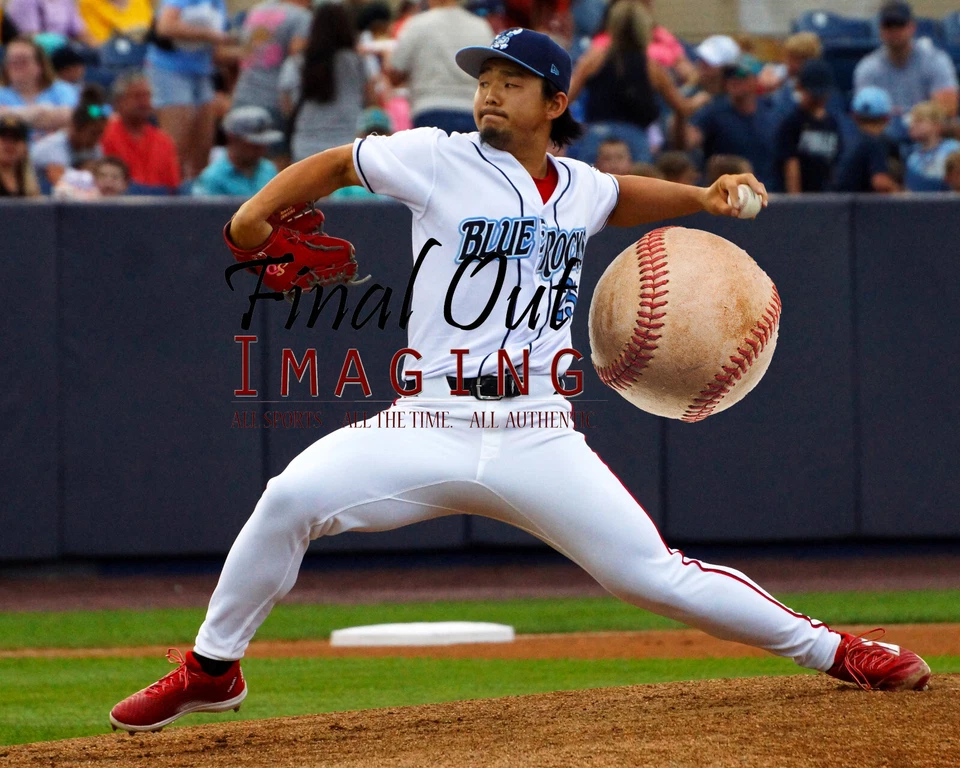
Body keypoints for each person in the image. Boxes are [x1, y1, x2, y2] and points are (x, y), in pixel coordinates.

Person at [108, 27, 931, 735]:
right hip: (426, 423)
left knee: (650, 575)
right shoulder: (437, 157)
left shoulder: (577, 185)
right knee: (289, 496)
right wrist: (256, 215)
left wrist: (699, 197)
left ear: (557, 102)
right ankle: (215, 669)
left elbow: (617, 195)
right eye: (486, 81)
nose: (491, 95)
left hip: (538, 432)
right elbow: (334, 163)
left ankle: (839, 651)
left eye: (513, 84)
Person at [568, 0, 707, 156]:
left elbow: (566, 98)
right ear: (644, 28)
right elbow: (681, 107)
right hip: (635, 140)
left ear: (612, 25)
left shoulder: (594, 59)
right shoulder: (651, 66)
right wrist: (702, 98)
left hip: (598, 137)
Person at [146, 0, 230, 179]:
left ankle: (196, 193)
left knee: (203, 144)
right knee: (175, 144)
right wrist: (208, 35)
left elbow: (218, 51)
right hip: (170, 70)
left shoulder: (219, 4)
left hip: (202, 71)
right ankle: (169, 190)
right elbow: (165, 27)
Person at [279, 3, 370, 164]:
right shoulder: (357, 61)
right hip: (347, 144)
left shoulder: (296, 62)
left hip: (305, 145)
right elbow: (370, 99)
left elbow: (286, 107)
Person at [387, 0, 493, 134]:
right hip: (471, 110)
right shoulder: (481, 27)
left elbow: (395, 73)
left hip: (428, 109)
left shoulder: (417, 25)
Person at [853, 1, 958, 121]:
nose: (894, 31)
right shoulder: (868, 67)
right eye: (888, 26)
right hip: (884, 133)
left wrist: (913, 117)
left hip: (927, 131)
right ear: (880, 30)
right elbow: (864, 113)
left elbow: (948, 108)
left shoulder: (935, 60)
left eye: (900, 25)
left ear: (912, 27)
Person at [688, 55, 780, 189]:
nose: (734, 80)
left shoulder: (771, 111)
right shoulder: (714, 112)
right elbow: (688, 142)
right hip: (728, 194)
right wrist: (682, 112)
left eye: (741, 75)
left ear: (755, 80)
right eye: (729, 76)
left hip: (769, 193)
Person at [100, 72, 181, 194]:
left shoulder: (164, 141)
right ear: (119, 102)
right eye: (137, 97)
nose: (144, 102)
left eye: (147, 96)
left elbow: (172, 188)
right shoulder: (105, 135)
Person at [230, 0, 311, 122]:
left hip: (243, 95)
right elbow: (297, 56)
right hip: (275, 101)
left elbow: (244, 51)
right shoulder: (302, 16)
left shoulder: (257, 10)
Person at [775, 60, 843, 194]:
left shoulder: (831, 123)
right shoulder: (792, 122)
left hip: (825, 196)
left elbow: (834, 165)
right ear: (800, 88)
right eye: (814, 94)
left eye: (822, 94)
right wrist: (796, 201)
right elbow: (791, 165)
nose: (818, 99)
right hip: (800, 198)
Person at [30, 83, 108, 188]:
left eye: (100, 133)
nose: (97, 138)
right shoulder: (52, 147)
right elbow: (62, 185)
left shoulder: (95, 147)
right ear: (75, 128)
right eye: (93, 133)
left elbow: (99, 181)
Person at [191, 105, 279, 196]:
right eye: (253, 144)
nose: (260, 149)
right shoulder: (213, 177)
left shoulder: (269, 169)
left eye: (264, 144)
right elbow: (205, 209)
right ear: (232, 138)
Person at [0, 36, 79, 135]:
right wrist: (42, 111)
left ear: (40, 65)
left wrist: (8, 114)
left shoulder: (61, 89)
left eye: (23, 61)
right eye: (12, 61)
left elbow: (70, 117)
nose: (17, 66)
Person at [832, 87, 900, 194]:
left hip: (831, 202)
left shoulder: (844, 139)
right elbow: (880, 182)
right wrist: (903, 196)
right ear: (887, 118)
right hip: (855, 207)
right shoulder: (874, 142)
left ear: (854, 116)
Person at [903, 101, 960, 192]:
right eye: (912, 121)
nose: (912, 125)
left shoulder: (953, 149)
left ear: (937, 126)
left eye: (919, 121)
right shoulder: (913, 158)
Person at [5, 0, 95, 45]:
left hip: (65, 49)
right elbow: (30, 37)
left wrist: (96, 47)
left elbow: (81, 32)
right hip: (39, 53)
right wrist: (63, 43)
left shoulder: (66, 1)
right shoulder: (24, 1)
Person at [77, 0, 153, 45]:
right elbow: (96, 43)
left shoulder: (141, 1)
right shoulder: (89, 4)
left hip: (146, 56)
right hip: (112, 63)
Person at [0, 113, 41, 195]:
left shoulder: (29, 183)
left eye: (16, 138)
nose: (9, 144)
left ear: (25, 147)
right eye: (4, 138)